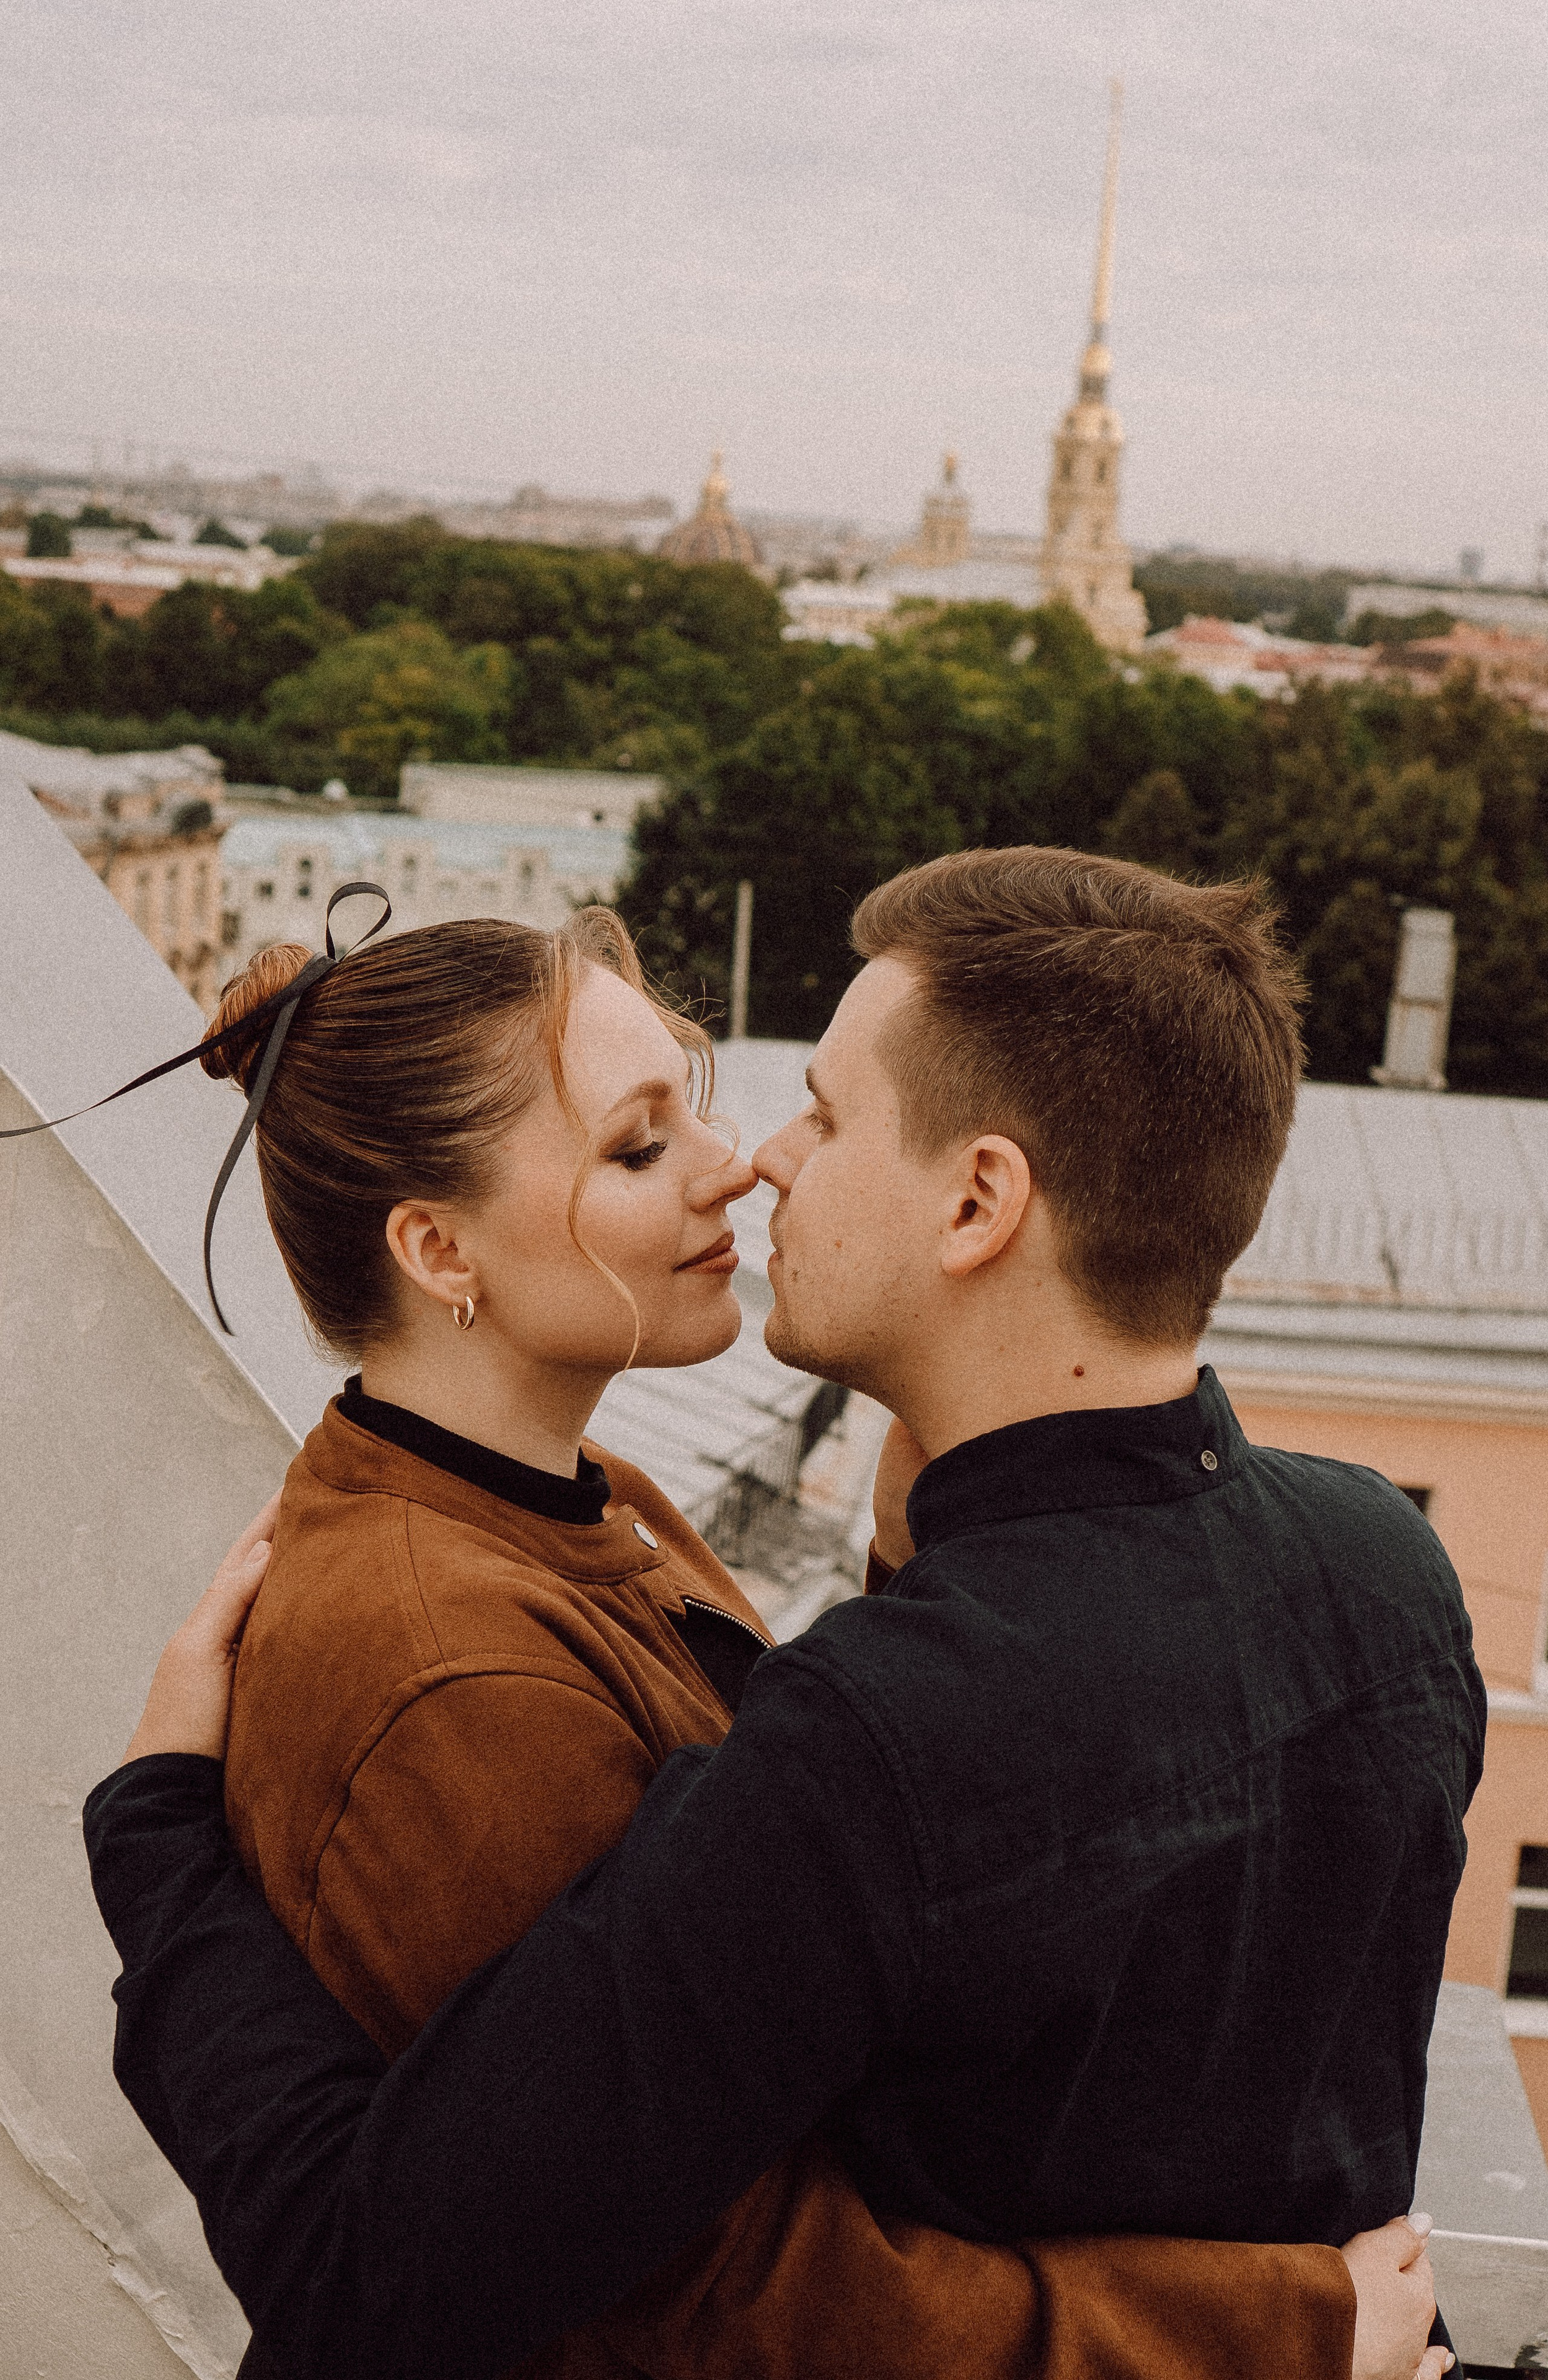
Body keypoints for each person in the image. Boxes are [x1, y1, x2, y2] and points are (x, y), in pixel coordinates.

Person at [82, 851, 1478, 2380]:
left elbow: (921, 1962)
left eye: (819, 1113)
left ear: (976, 1201)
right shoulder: (1389, 1565)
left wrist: (158, 1845)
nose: (755, 1162)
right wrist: (1287, 2332)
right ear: (437, 1249)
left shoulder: (708, 1591)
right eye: (641, 1144)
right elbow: (594, 2283)